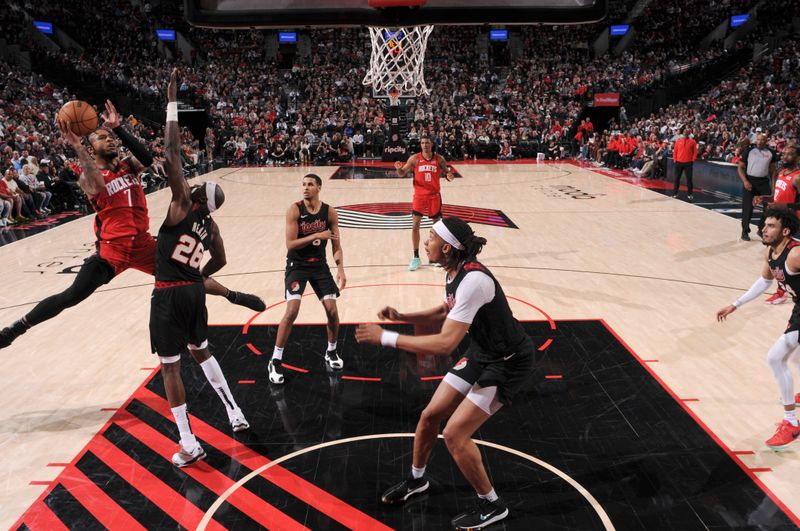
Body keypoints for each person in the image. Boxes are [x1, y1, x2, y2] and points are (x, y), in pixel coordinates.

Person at [0, 101, 265, 349]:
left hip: (143, 244)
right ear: (91, 149)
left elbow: (148, 159)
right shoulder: (88, 175)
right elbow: (96, 186)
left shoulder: (129, 165)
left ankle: (233, 295)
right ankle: (17, 328)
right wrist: (78, 147)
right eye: (103, 137)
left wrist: (119, 128)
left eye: (111, 138)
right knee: (73, 295)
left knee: (189, 276)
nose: (110, 141)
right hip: (111, 250)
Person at [355, 217, 537, 530]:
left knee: (455, 434)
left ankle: (492, 504)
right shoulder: (454, 270)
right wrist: (404, 316)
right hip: (483, 352)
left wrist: (386, 336)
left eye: (430, 238)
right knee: (429, 416)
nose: (426, 243)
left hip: (508, 363)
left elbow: (445, 343)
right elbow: (445, 310)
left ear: (448, 247)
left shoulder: (474, 280)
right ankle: (416, 480)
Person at [153, 69, 249, 468]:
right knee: (203, 352)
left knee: (170, 368)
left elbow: (173, 154)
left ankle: (189, 442)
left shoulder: (180, 203)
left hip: (169, 294)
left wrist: (172, 102)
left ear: (193, 195)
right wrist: (198, 273)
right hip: (193, 291)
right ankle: (235, 413)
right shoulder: (211, 224)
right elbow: (222, 261)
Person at [716, 207, 800, 451]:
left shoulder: (795, 254)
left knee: (776, 357)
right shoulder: (771, 253)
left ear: (785, 231)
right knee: (792, 358)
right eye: (764, 224)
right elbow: (765, 280)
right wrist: (736, 304)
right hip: (798, 308)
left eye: (771, 225)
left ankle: (791, 423)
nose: (764, 228)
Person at [267, 173, 346, 385]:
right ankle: (275, 360)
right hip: (297, 266)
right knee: (292, 311)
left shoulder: (329, 211)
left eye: (310, 184)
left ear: (319, 187)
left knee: (332, 310)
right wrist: (316, 235)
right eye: (303, 184)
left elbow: (336, 245)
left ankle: (331, 351)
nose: (305, 188)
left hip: (319, 266)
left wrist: (340, 269)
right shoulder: (294, 209)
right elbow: (290, 244)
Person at [395, 136, 454, 271]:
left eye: (427, 142)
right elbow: (402, 173)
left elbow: (448, 173)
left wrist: (450, 177)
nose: (425, 145)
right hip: (419, 196)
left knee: (437, 228)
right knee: (415, 225)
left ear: (432, 144)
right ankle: (416, 257)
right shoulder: (415, 158)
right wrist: (399, 169)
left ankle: (435, 257)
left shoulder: (439, 159)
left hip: (434, 196)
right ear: (420, 145)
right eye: (422, 143)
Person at [754, 144, 800, 305]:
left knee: (786, 258)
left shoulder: (797, 177)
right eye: (784, 153)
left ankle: (784, 292)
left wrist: (784, 207)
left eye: (789, 154)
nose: (784, 155)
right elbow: (776, 197)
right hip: (781, 220)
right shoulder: (781, 173)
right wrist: (764, 198)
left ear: (797, 158)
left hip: (794, 223)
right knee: (778, 257)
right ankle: (782, 292)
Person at [739, 133, 777, 241]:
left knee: (769, 206)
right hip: (750, 180)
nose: (760, 142)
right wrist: (745, 181)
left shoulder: (771, 153)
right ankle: (745, 231)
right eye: (758, 139)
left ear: (766, 141)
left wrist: (773, 188)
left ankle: (761, 229)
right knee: (748, 208)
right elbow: (740, 167)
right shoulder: (749, 151)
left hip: (763, 182)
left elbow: (773, 171)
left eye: (762, 140)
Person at [672, 127, 697, 201]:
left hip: (688, 163)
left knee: (689, 179)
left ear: (689, 133)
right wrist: (675, 160)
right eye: (685, 131)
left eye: (687, 131)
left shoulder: (693, 141)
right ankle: (675, 193)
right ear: (683, 133)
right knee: (677, 179)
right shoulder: (678, 141)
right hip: (678, 163)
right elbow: (675, 151)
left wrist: (692, 160)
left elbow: (695, 152)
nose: (686, 132)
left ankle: (690, 194)